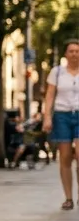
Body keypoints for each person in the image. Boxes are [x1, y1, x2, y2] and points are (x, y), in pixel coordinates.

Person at [43, 40, 79, 210]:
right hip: (62, 115)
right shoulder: (57, 72)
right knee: (64, 157)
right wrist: (47, 118)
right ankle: (68, 198)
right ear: (66, 54)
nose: (74, 54)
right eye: (71, 51)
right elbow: (50, 95)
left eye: (77, 51)